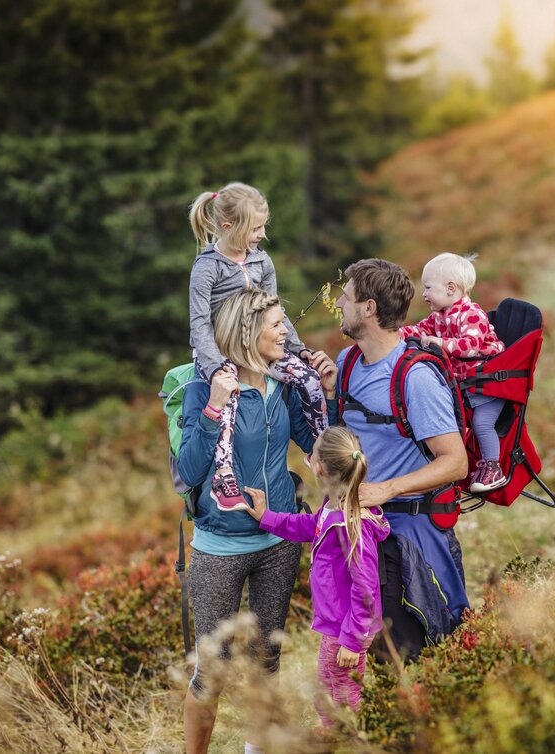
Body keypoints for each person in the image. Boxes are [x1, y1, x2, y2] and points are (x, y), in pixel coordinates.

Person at [176, 288, 338, 754]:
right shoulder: (202, 388)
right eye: (276, 325)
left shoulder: (284, 384)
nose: (286, 331)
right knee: (213, 670)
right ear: (247, 333)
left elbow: (318, 446)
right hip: (220, 545)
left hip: (278, 540)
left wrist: (325, 393)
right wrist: (212, 407)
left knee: (266, 661)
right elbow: (188, 471)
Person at [334, 259, 470, 661]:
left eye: (347, 296)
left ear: (369, 308)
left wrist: (386, 489)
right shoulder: (347, 364)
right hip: (363, 533)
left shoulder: (416, 378)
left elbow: (455, 463)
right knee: (376, 653)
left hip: (413, 533)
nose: (340, 303)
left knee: (421, 651)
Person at [187, 182, 327, 509]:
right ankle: (224, 476)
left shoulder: (261, 262)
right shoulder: (207, 267)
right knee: (230, 401)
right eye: (256, 228)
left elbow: (277, 312)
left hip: (260, 350)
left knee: (309, 379)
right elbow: (199, 323)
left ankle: (321, 448)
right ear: (228, 228)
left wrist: (298, 348)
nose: (263, 235)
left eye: (264, 226)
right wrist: (215, 366)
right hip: (221, 354)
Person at [243, 426, 390, 727]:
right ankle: (333, 735)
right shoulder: (332, 510)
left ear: (319, 468)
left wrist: (352, 639)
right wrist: (266, 518)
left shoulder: (352, 523)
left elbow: (366, 587)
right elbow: (309, 525)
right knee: (326, 693)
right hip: (334, 627)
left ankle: (349, 741)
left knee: (345, 698)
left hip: (345, 631)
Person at [401, 252, 507, 492]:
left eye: (428, 287)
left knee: (482, 424)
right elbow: (417, 330)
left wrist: (440, 343)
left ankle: (493, 467)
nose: (424, 294)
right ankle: (450, 471)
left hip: (489, 384)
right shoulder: (438, 317)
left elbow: (470, 346)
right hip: (466, 386)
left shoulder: (472, 314)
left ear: (450, 288)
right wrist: (393, 333)